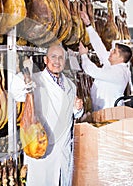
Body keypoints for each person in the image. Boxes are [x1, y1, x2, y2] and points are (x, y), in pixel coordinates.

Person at [11, 44, 83, 186]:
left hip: (63, 152)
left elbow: (72, 115)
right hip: (41, 150)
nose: (57, 61)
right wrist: (26, 75)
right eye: (53, 57)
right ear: (45, 60)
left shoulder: (70, 85)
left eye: (61, 58)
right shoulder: (36, 80)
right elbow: (16, 91)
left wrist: (78, 109)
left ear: (65, 61)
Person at [78, 11, 133, 111]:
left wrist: (84, 55)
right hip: (102, 110)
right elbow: (100, 48)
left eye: (114, 52)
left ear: (121, 59)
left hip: (109, 112)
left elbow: (92, 71)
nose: (111, 52)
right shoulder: (113, 64)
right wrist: (88, 25)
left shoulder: (119, 73)